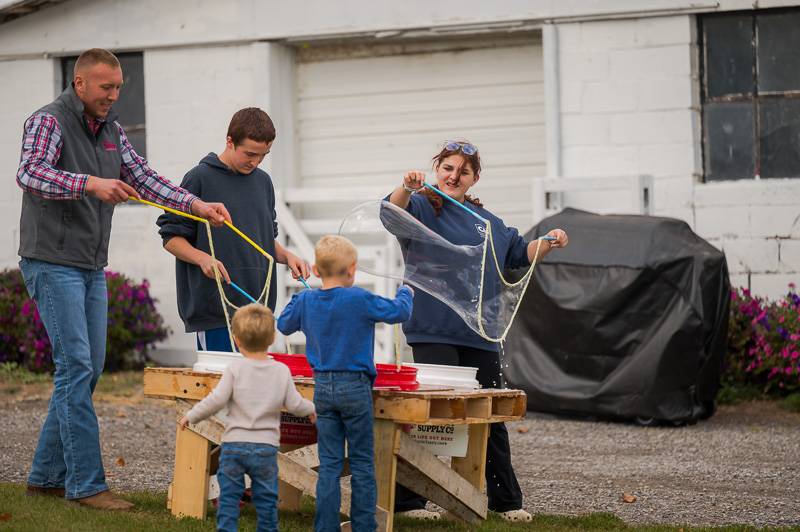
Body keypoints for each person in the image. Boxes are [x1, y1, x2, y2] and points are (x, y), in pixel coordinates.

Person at [16, 48, 229, 511]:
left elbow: (147, 179)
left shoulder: (112, 132)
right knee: (76, 367)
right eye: (105, 88)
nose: (113, 96)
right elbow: (30, 173)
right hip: (51, 260)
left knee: (85, 370)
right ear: (80, 84)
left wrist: (196, 206)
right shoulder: (48, 121)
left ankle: (45, 477)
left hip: (90, 264)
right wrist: (90, 183)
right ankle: (87, 486)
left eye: (117, 88)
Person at [387, 140, 569, 522]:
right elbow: (389, 213)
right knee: (428, 415)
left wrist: (550, 241)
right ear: (438, 169)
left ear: (474, 178)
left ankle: (506, 503)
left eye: (463, 171)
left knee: (490, 414)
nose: (453, 176)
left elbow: (520, 253)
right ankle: (407, 503)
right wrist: (406, 185)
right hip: (433, 330)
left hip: (480, 333)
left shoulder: (489, 222)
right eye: (447, 168)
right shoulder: (421, 205)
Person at [277, 235, 413, 532]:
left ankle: (325, 527)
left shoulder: (306, 300)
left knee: (329, 464)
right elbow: (399, 312)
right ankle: (364, 526)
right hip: (355, 388)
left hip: (323, 388)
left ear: (314, 268)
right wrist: (407, 293)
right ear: (352, 270)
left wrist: (299, 298)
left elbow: (283, 324)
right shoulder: (359, 299)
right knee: (363, 462)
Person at [157, 107, 310, 352]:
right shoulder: (198, 178)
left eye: (263, 155)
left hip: (258, 311)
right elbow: (171, 238)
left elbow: (264, 240)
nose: (256, 161)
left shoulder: (263, 182)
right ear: (230, 141)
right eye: (250, 154)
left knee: (254, 388)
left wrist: (288, 257)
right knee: (222, 387)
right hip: (216, 311)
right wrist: (203, 259)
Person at [179, 304, 316, 532]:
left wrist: (191, 415)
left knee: (229, 500)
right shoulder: (281, 371)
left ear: (237, 340)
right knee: (266, 502)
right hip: (265, 448)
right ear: (272, 338)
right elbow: (294, 404)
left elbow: (216, 400)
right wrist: (311, 409)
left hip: (234, 447)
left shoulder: (234, 369)